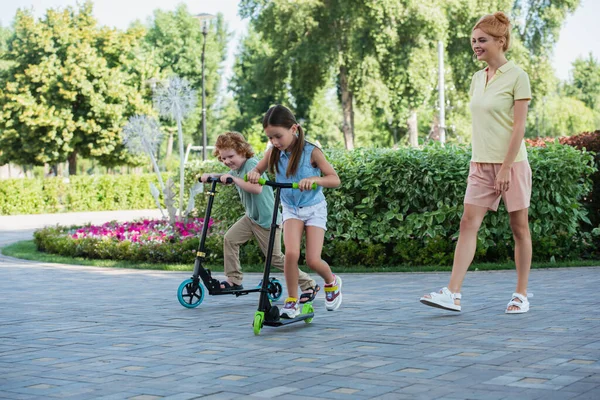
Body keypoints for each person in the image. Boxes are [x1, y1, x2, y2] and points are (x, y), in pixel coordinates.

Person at [420, 11, 533, 314]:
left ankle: (521, 294)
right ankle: (452, 293)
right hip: (480, 164)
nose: (476, 45)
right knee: (468, 222)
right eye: (473, 41)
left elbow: (519, 127)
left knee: (519, 227)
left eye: (482, 40)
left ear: (501, 41)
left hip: (512, 164)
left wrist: (507, 167)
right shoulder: (475, 79)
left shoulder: (518, 77)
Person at [200, 131, 320, 303]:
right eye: (223, 159)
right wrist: (211, 176)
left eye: (230, 157)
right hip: (251, 218)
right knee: (230, 239)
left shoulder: (251, 164)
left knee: (275, 258)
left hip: (267, 221)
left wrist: (233, 180)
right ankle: (234, 280)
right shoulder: (237, 168)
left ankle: (309, 284)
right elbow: (228, 176)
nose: (227, 162)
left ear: (242, 151)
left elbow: (256, 188)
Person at [247, 105, 342, 318]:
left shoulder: (312, 152)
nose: (274, 142)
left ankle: (331, 281)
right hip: (291, 208)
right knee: (290, 254)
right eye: (271, 138)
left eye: (278, 136)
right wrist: (254, 173)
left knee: (312, 260)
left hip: (314, 209)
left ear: (294, 129)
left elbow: (334, 179)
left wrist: (315, 180)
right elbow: (258, 169)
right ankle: (291, 301)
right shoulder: (273, 153)